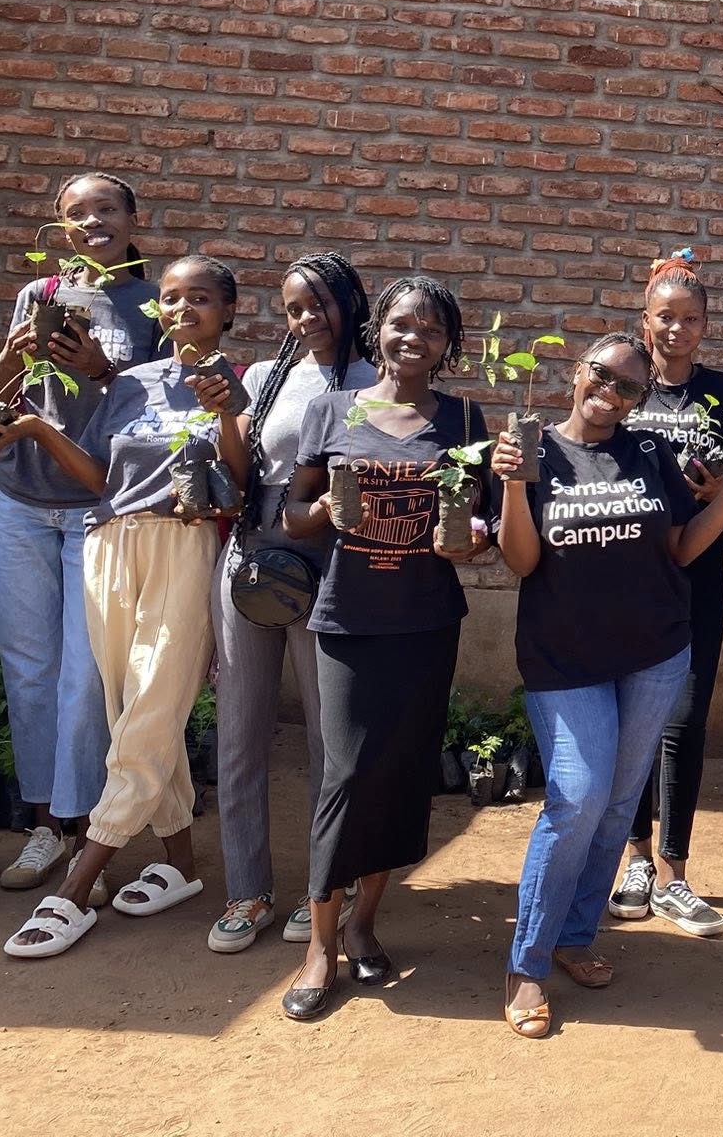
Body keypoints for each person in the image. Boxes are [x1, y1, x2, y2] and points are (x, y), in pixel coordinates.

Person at [0, 256, 247, 957]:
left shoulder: (238, 385)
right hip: (108, 546)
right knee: (130, 707)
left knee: (150, 713)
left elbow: (241, 486)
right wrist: (37, 433)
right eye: (170, 298)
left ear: (228, 311)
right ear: (155, 311)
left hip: (183, 547)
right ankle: (182, 867)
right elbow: (103, 479)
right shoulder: (128, 384)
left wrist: (226, 413)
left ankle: (73, 889)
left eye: (200, 298)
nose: (183, 308)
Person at [493, 331, 723, 1037]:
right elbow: (519, 561)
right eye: (602, 375)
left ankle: (576, 936)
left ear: (640, 398)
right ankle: (527, 963)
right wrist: (514, 483)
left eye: (629, 387)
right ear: (577, 373)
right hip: (564, 660)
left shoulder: (647, 453)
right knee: (576, 798)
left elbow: (679, 547)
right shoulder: (532, 449)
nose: (611, 392)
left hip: (655, 654)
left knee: (615, 805)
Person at [276, 276, 491, 1021]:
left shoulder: (464, 419)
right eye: (403, 325)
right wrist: (325, 512)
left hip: (427, 620)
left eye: (431, 330)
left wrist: (474, 540)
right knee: (346, 773)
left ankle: (366, 922)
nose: (414, 339)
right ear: (378, 332)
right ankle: (320, 945)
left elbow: (484, 523)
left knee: (401, 772)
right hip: (348, 619)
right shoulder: (332, 409)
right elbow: (292, 512)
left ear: (447, 346)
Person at [0, 171, 162, 895]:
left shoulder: (156, 301)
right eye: (77, 214)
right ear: (59, 230)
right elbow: (3, 395)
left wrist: (105, 367)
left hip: (98, 503)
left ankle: (86, 821)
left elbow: (163, 403)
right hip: (22, 495)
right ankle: (41, 830)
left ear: (131, 217)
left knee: (86, 676)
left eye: (107, 209)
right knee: (29, 668)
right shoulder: (42, 294)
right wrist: (12, 352)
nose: (93, 223)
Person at [205, 255, 376, 954]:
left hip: (330, 554)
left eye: (319, 305)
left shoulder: (375, 381)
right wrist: (225, 418)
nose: (306, 320)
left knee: (325, 736)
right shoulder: (263, 377)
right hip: (252, 550)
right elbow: (241, 471)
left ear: (351, 305)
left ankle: (323, 888)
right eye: (294, 309)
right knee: (239, 729)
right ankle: (247, 889)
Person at [609, 251, 723, 938]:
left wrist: (718, 492)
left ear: (705, 326)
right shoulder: (624, 385)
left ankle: (674, 871)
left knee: (684, 720)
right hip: (630, 577)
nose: (677, 329)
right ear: (646, 320)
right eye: (665, 317)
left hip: (698, 574)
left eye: (690, 319)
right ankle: (633, 859)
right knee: (633, 715)